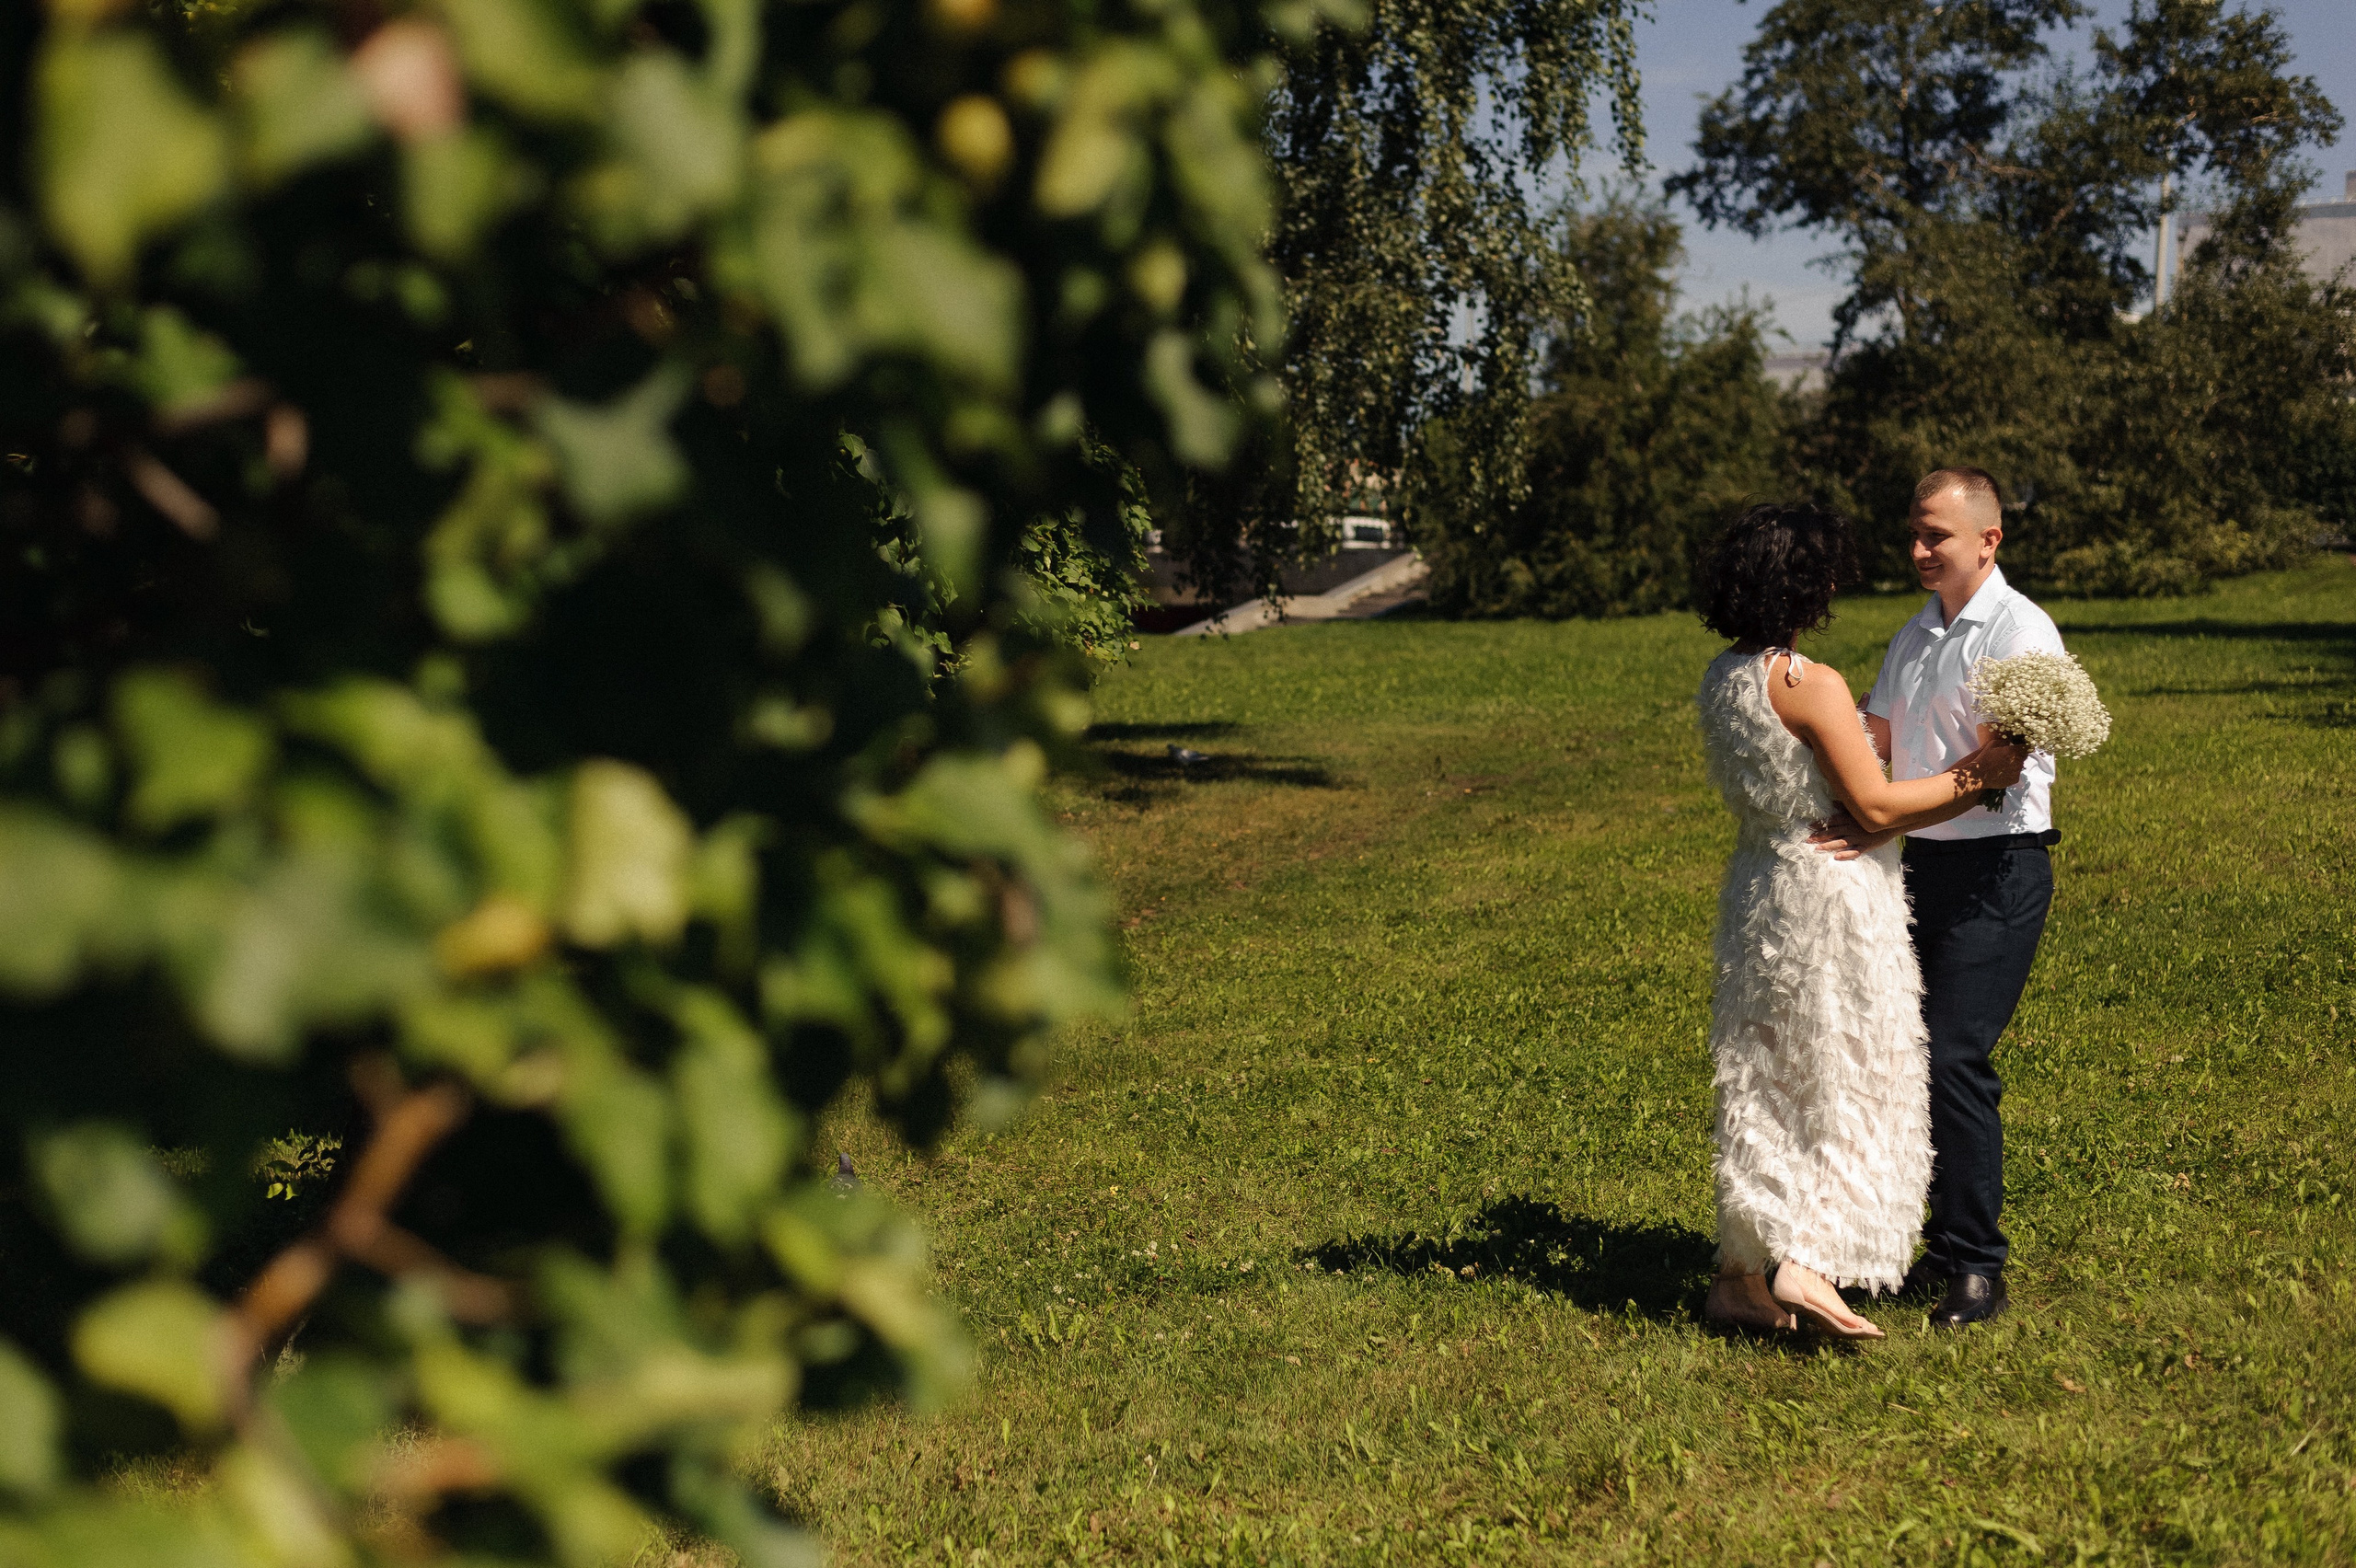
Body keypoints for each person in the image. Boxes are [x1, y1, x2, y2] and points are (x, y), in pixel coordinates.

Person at [1692, 502, 2025, 1340]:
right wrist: (1980, 776)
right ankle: (1812, 1256)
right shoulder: (1811, 683)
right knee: (1850, 1073)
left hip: (1759, 887)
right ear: (1806, 584)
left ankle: (1739, 1275)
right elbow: (1872, 802)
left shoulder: (1725, 675)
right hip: (1833, 894)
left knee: (1764, 1076)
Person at [1810, 467, 2067, 1329]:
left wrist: (1881, 816)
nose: (1919, 551)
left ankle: (1977, 1270)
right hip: (1917, 865)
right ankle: (1926, 1246)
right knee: (1904, 1056)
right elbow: (1875, 739)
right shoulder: (1913, 637)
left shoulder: (2021, 632)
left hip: (1998, 867)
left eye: (1937, 537)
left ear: (1990, 540)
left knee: (1954, 1055)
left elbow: (1995, 775)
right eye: (1915, 535)